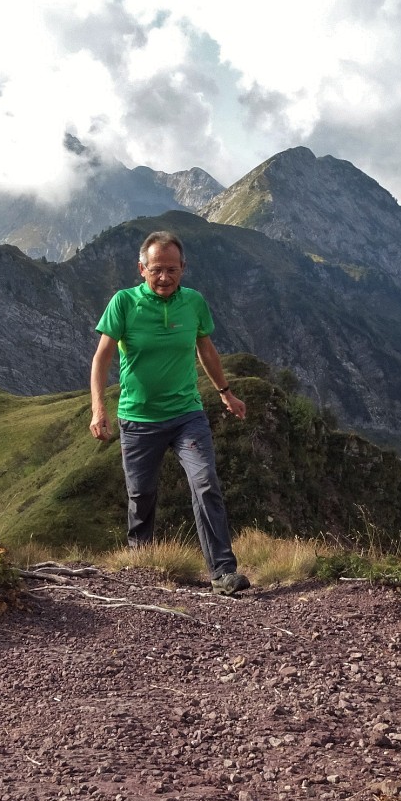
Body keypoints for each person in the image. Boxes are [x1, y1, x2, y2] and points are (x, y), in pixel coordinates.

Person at [89, 230, 251, 596]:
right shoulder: (124, 303)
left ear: (184, 269)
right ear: (141, 269)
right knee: (141, 496)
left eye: (172, 270)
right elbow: (101, 358)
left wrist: (226, 393)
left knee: (206, 482)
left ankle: (223, 572)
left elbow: (205, 349)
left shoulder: (193, 303)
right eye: (157, 269)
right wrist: (99, 409)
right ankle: (141, 568)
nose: (164, 277)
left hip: (186, 416)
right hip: (138, 420)